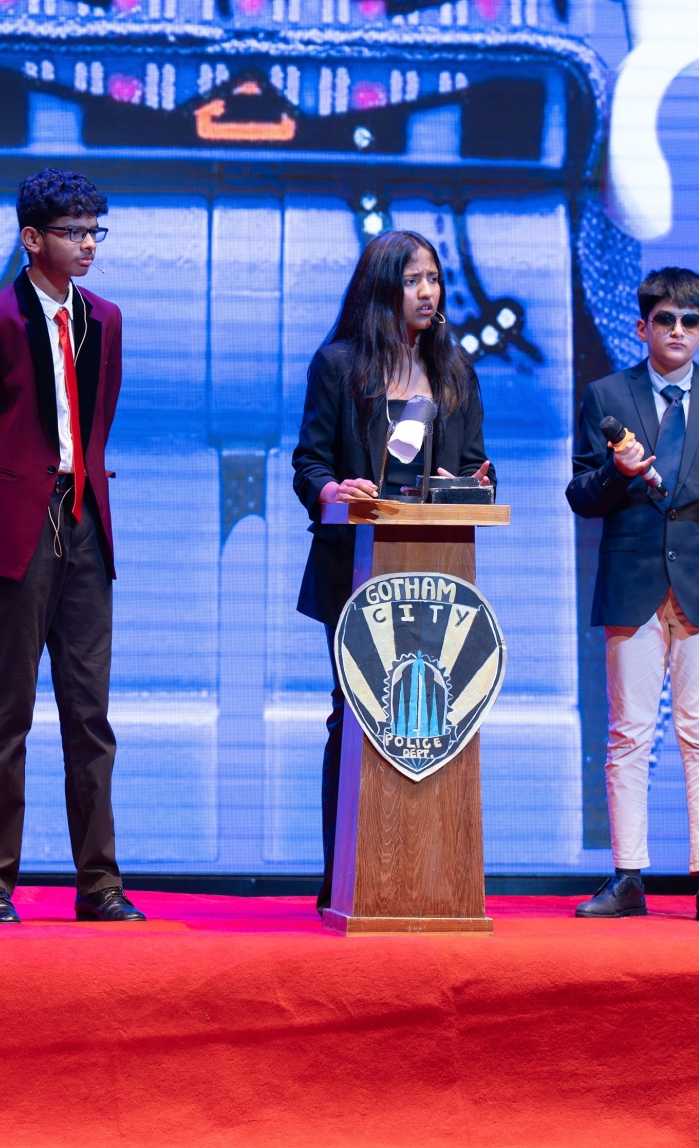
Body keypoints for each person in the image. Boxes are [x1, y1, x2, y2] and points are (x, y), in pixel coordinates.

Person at [0, 168, 143, 924]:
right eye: (72, 233)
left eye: (95, 231)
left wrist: (80, 489)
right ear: (32, 238)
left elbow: (97, 423)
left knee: (90, 715)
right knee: (10, 710)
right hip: (18, 529)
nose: (88, 245)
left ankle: (100, 884)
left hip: (84, 520)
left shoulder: (105, 320)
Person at [290, 230, 494, 912]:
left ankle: (430, 878)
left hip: (437, 572)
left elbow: (475, 466)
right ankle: (345, 877)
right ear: (382, 288)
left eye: (433, 278)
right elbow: (309, 463)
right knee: (357, 712)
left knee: (435, 717)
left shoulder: (455, 369)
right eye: (413, 280)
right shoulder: (339, 365)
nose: (428, 292)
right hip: (356, 566)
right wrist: (333, 491)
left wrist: (472, 484)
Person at [566, 268, 699, 924]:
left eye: (689, 322)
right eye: (665, 320)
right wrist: (615, 473)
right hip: (632, 583)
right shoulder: (606, 395)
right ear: (642, 326)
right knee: (628, 733)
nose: (677, 331)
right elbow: (580, 494)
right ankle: (627, 877)